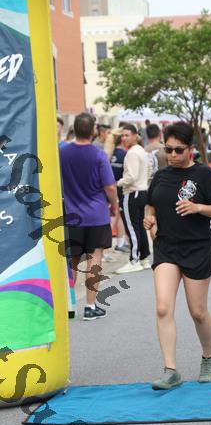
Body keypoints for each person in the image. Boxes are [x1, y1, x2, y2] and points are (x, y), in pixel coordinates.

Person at [143, 122, 211, 390]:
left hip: (197, 248)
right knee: (162, 307)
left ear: (191, 149)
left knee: (198, 312)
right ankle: (170, 370)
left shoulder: (204, 174)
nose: (172, 155)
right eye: (168, 149)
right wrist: (150, 219)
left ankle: (208, 357)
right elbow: (150, 205)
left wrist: (198, 207)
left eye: (178, 150)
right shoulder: (160, 176)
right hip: (166, 247)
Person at [60, 112, 118, 320]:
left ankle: (69, 306)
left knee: (72, 260)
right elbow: (110, 187)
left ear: (74, 129)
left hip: (72, 214)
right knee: (95, 258)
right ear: (93, 130)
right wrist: (115, 205)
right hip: (96, 214)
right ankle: (90, 306)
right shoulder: (98, 155)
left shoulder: (62, 153)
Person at [114, 124, 150, 274]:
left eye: (127, 135)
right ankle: (144, 258)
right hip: (141, 191)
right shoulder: (141, 150)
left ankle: (134, 260)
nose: (124, 138)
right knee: (139, 227)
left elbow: (131, 177)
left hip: (132, 193)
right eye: (122, 135)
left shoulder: (132, 153)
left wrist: (118, 183)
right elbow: (149, 170)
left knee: (132, 228)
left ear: (135, 136)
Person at [110, 132, 130, 254]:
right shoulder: (125, 154)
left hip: (107, 188)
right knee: (117, 216)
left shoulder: (108, 153)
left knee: (115, 216)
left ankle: (120, 243)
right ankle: (113, 245)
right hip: (119, 188)